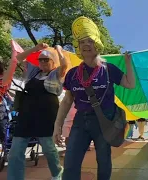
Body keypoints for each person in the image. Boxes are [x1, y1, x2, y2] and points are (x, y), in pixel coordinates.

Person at [53, 17, 135, 180]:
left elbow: (130, 84)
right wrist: (58, 125)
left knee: (103, 160)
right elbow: (67, 101)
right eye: (82, 41)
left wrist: (128, 63)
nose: (86, 44)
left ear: (96, 45)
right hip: (80, 122)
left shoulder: (108, 69)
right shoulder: (72, 73)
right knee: (70, 162)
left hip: (104, 121)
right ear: (79, 47)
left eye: (90, 41)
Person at [5, 44, 67, 180]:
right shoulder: (33, 71)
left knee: (48, 149)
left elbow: (64, 64)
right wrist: (35, 48)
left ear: (53, 62)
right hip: (26, 114)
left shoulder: (56, 73)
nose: (43, 62)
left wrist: (59, 50)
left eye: (46, 59)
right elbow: (19, 58)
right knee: (15, 151)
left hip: (47, 115)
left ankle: (57, 173)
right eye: (41, 59)